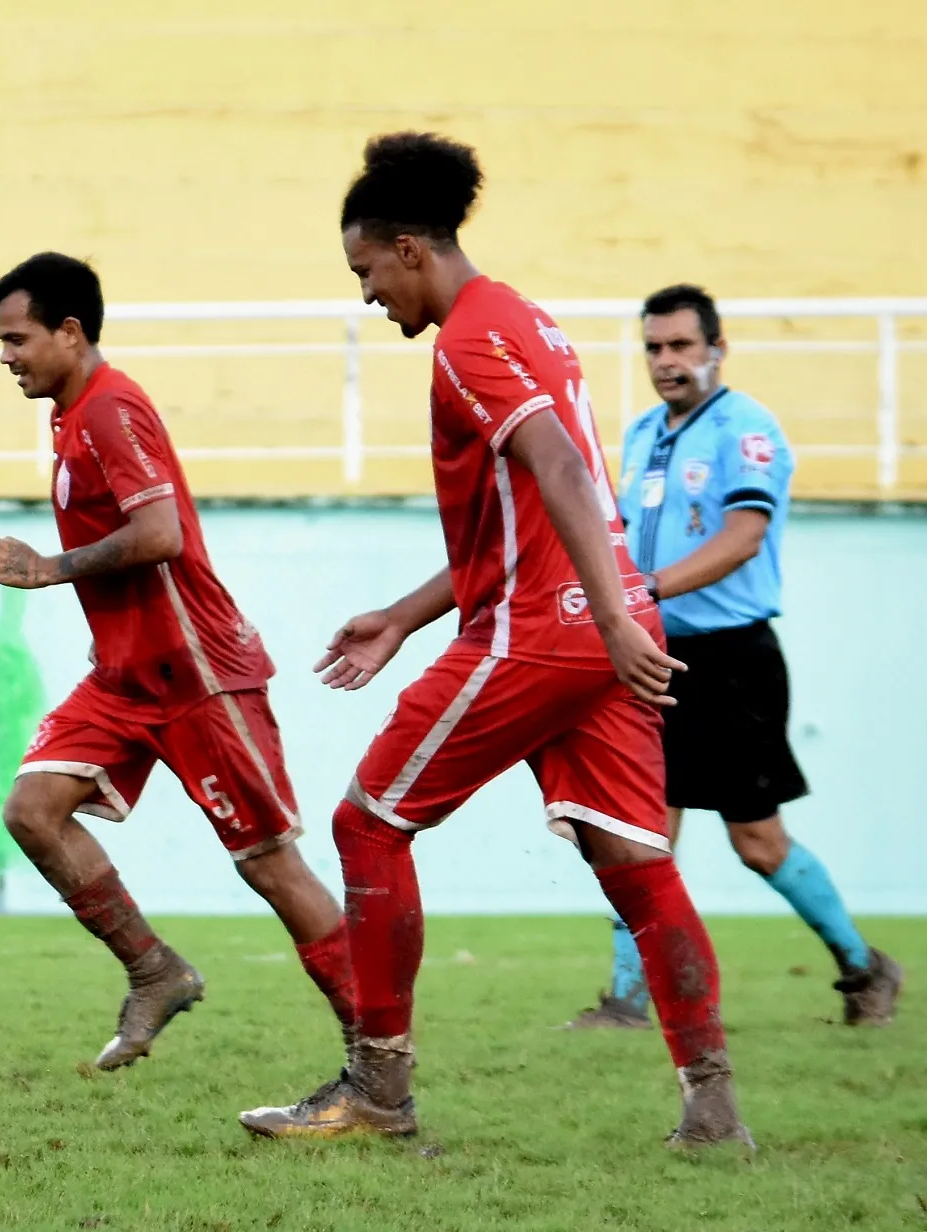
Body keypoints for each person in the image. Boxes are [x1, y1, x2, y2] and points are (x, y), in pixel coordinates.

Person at [239, 133, 750, 1148]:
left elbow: (558, 467)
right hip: (587, 625)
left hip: (545, 632)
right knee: (634, 861)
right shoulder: (527, 320)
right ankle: (710, 1105)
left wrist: (602, 617)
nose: (367, 296)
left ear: (407, 248)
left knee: (366, 824)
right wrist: (404, 613)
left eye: (366, 272)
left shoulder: (468, 342)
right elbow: (526, 511)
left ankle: (376, 1091)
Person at [0, 253, 357, 1076]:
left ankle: (379, 1057)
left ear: (70, 333)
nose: (4, 356)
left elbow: (160, 538)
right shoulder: (72, 414)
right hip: (125, 675)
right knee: (32, 810)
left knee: (268, 864)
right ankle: (155, 971)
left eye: (17, 339)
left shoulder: (112, 410)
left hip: (199, 676)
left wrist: (50, 568)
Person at [568, 285, 902, 1030]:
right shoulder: (645, 434)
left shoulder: (747, 430)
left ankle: (866, 968)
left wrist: (642, 588)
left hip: (733, 661)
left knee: (758, 841)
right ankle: (627, 999)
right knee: (638, 831)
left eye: (681, 345)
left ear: (716, 348)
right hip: (654, 655)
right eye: (654, 347)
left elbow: (743, 536)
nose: (666, 361)